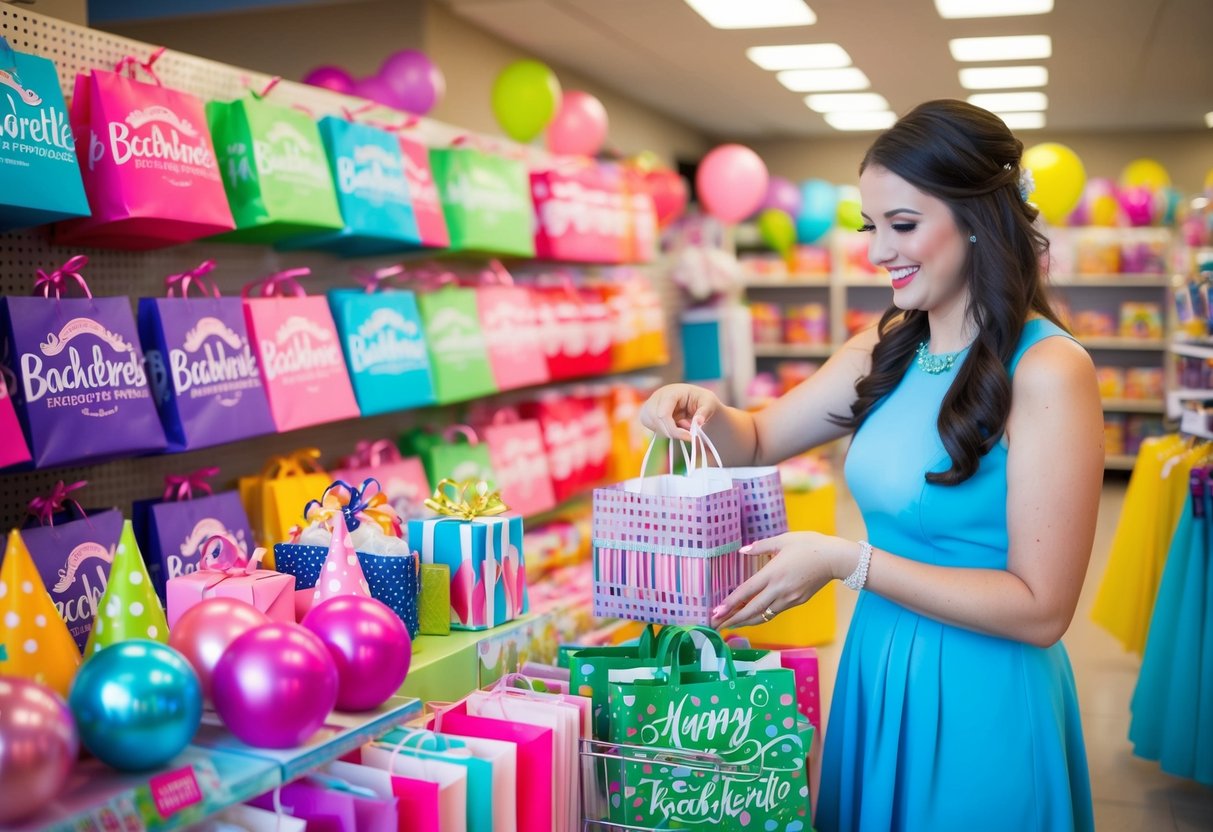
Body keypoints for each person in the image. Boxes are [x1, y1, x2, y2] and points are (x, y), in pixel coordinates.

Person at [640, 100, 1101, 831]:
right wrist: (692, 407)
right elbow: (753, 440)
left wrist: (850, 563)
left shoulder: (1049, 370)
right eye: (870, 226)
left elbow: (1041, 609)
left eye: (903, 225)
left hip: (983, 692)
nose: (879, 250)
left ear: (978, 217)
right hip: (878, 664)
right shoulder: (881, 351)